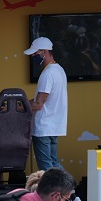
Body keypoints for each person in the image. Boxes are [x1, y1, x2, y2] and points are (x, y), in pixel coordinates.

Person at [25, 36, 68, 171]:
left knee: (46, 167)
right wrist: (24, 103)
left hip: (43, 127)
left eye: (35, 53)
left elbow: (38, 104)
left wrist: (19, 107)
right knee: (54, 163)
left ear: (44, 52)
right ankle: (68, 184)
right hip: (54, 126)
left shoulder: (47, 74)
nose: (32, 56)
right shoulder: (59, 70)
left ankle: (66, 184)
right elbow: (43, 99)